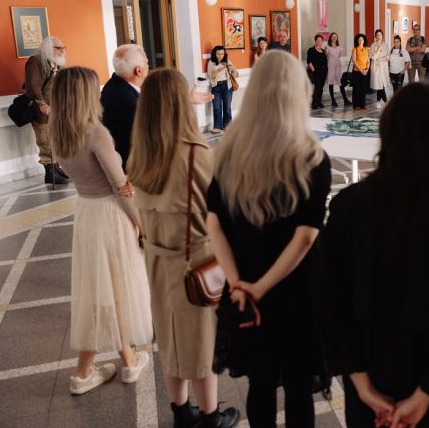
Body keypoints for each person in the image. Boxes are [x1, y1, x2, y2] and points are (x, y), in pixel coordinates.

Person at [316, 82, 429, 428]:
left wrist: (361, 383)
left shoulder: (348, 208)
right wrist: (424, 395)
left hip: (372, 387)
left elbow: (328, 302)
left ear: (386, 133)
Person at [207, 51, 331, 427]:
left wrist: (238, 284)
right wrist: (261, 288)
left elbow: (214, 223)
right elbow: (305, 237)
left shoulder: (229, 152)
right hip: (297, 288)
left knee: (259, 383)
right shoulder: (311, 157)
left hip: (245, 280)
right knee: (297, 385)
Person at [128, 69, 240, 428]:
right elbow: (222, 212)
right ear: (181, 104)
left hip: (156, 259)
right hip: (196, 260)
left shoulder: (139, 156)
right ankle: (210, 417)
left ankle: (181, 412)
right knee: (201, 341)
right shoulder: (196, 155)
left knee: (169, 338)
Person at [49, 67, 152, 395]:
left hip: (86, 213)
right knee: (114, 289)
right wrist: (141, 223)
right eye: (94, 89)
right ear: (84, 94)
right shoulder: (96, 133)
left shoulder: (59, 133)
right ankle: (88, 372)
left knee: (102, 289)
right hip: (110, 215)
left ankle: (124, 362)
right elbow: (120, 186)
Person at [24, 36, 70, 184]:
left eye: (63, 48)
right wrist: (42, 105)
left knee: (55, 139)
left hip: (56, 108)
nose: (62, 51)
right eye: (58, 48)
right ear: (48, 48)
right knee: (45, 139)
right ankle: (50, 173)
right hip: (41, 109)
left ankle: (56, 167)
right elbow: (33, 86)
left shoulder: (56, 62)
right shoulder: (36, 61)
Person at [101, 44, 148, 170]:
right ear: (138, 71)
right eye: (147, 64)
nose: (148, 67)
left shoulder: (113, 86)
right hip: (131, 167)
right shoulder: (126, 98)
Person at [207, 45, 238, 134]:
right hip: (216, 86)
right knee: (217, 107)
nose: (220, 56)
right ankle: (217, 127)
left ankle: (227, 126)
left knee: (227, 107)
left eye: (222, 54)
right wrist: (218, 71)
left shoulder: (228, 62)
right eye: (218, 54)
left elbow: (236, 75)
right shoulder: (211, 63)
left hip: (227, 86)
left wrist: (232, 69)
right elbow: (210, 76)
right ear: (214, 54)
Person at [325, 32, 350, 107]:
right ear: (330, 38)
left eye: (336, 37)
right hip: (330, 67)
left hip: (338, 67)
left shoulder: (339, 47)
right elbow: (325, 57)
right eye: (333, 37)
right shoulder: (327, 47)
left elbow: (339, 57)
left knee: (340, 83)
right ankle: (333, 100)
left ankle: (345, 100)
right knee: (331, 84)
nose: (334, 38)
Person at [370, 29, 391, 108]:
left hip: (384, 67)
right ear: (375, 36)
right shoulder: (373, 45)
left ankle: (378, 102)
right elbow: (373, 57)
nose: (379, 37)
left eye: (380, 35)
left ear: (382, 36)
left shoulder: (385, 45)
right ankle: (386, 102)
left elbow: (388, 56)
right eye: (377, 35)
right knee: (380, 85)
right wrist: (379, 50)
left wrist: (381, 58)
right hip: (376, 68)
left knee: (381, 85)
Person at [307, 34, 328, 109]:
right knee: (317, 87)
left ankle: (319, 102)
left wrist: (326, 71)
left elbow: (325, 62)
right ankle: (314, 103)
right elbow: (309, 61)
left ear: (322, 41)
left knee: (321, 87)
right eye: (317, 40)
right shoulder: (311, 50)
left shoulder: (323, 50)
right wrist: (314, 71)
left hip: (323, 71)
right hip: (316, 71)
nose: (319, 41)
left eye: (320, 40)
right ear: (315, 41)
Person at [351, 34, 370, 111]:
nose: (360, 41)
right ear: (357, 41)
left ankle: (363, 105)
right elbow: (354, 61)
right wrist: (361, 70)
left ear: (364, 40)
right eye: (359, 40)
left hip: (365, 72)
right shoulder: (355, 49)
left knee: (363, 88)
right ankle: (356, 105)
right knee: (356, 88)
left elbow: (368, 61)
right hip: (357, 72)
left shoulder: (366, 49)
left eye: (362, 39)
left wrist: (367, 69)